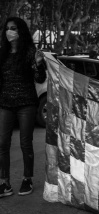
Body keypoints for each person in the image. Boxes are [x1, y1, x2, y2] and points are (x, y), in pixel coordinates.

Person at [0, 17, 46, 198]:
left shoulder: (29, 52)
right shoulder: (2, 53)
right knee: (3, 144)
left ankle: (27, 179)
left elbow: (40, 79)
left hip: (26, 103)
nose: (9, 32)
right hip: (5, 103)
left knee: (25, 143)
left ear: (20, 32)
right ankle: (5, 183)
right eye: (7, 28)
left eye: (13, 28)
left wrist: (39, 64)